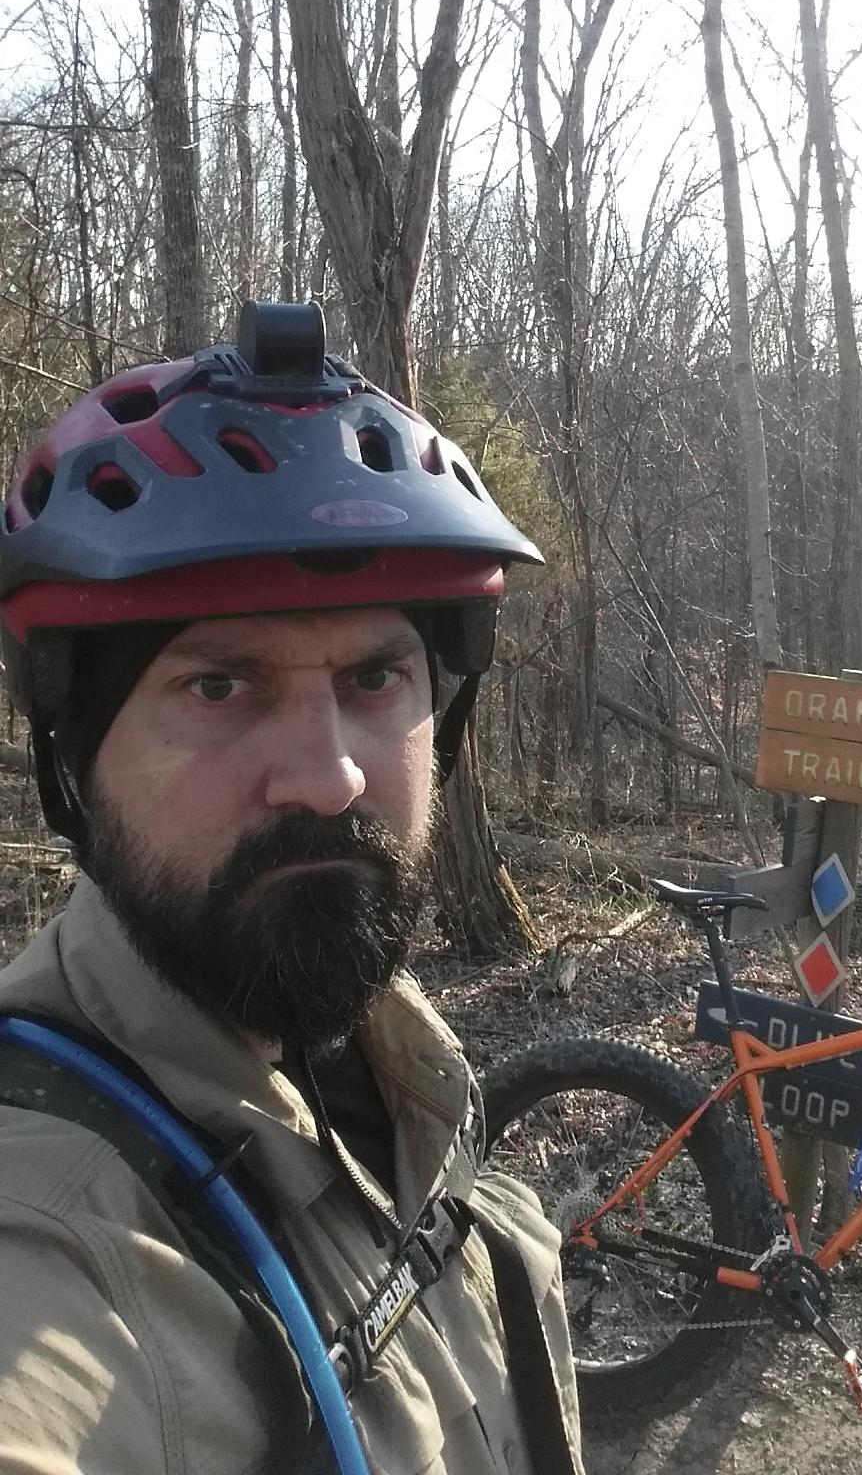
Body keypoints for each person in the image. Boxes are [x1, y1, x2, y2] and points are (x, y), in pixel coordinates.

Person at [0, 302, 583, 1475]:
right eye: (220, 686)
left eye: (376, 674)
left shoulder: (392, 1069)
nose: (329, 777)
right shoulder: (48, 1239)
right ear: (73, 758)